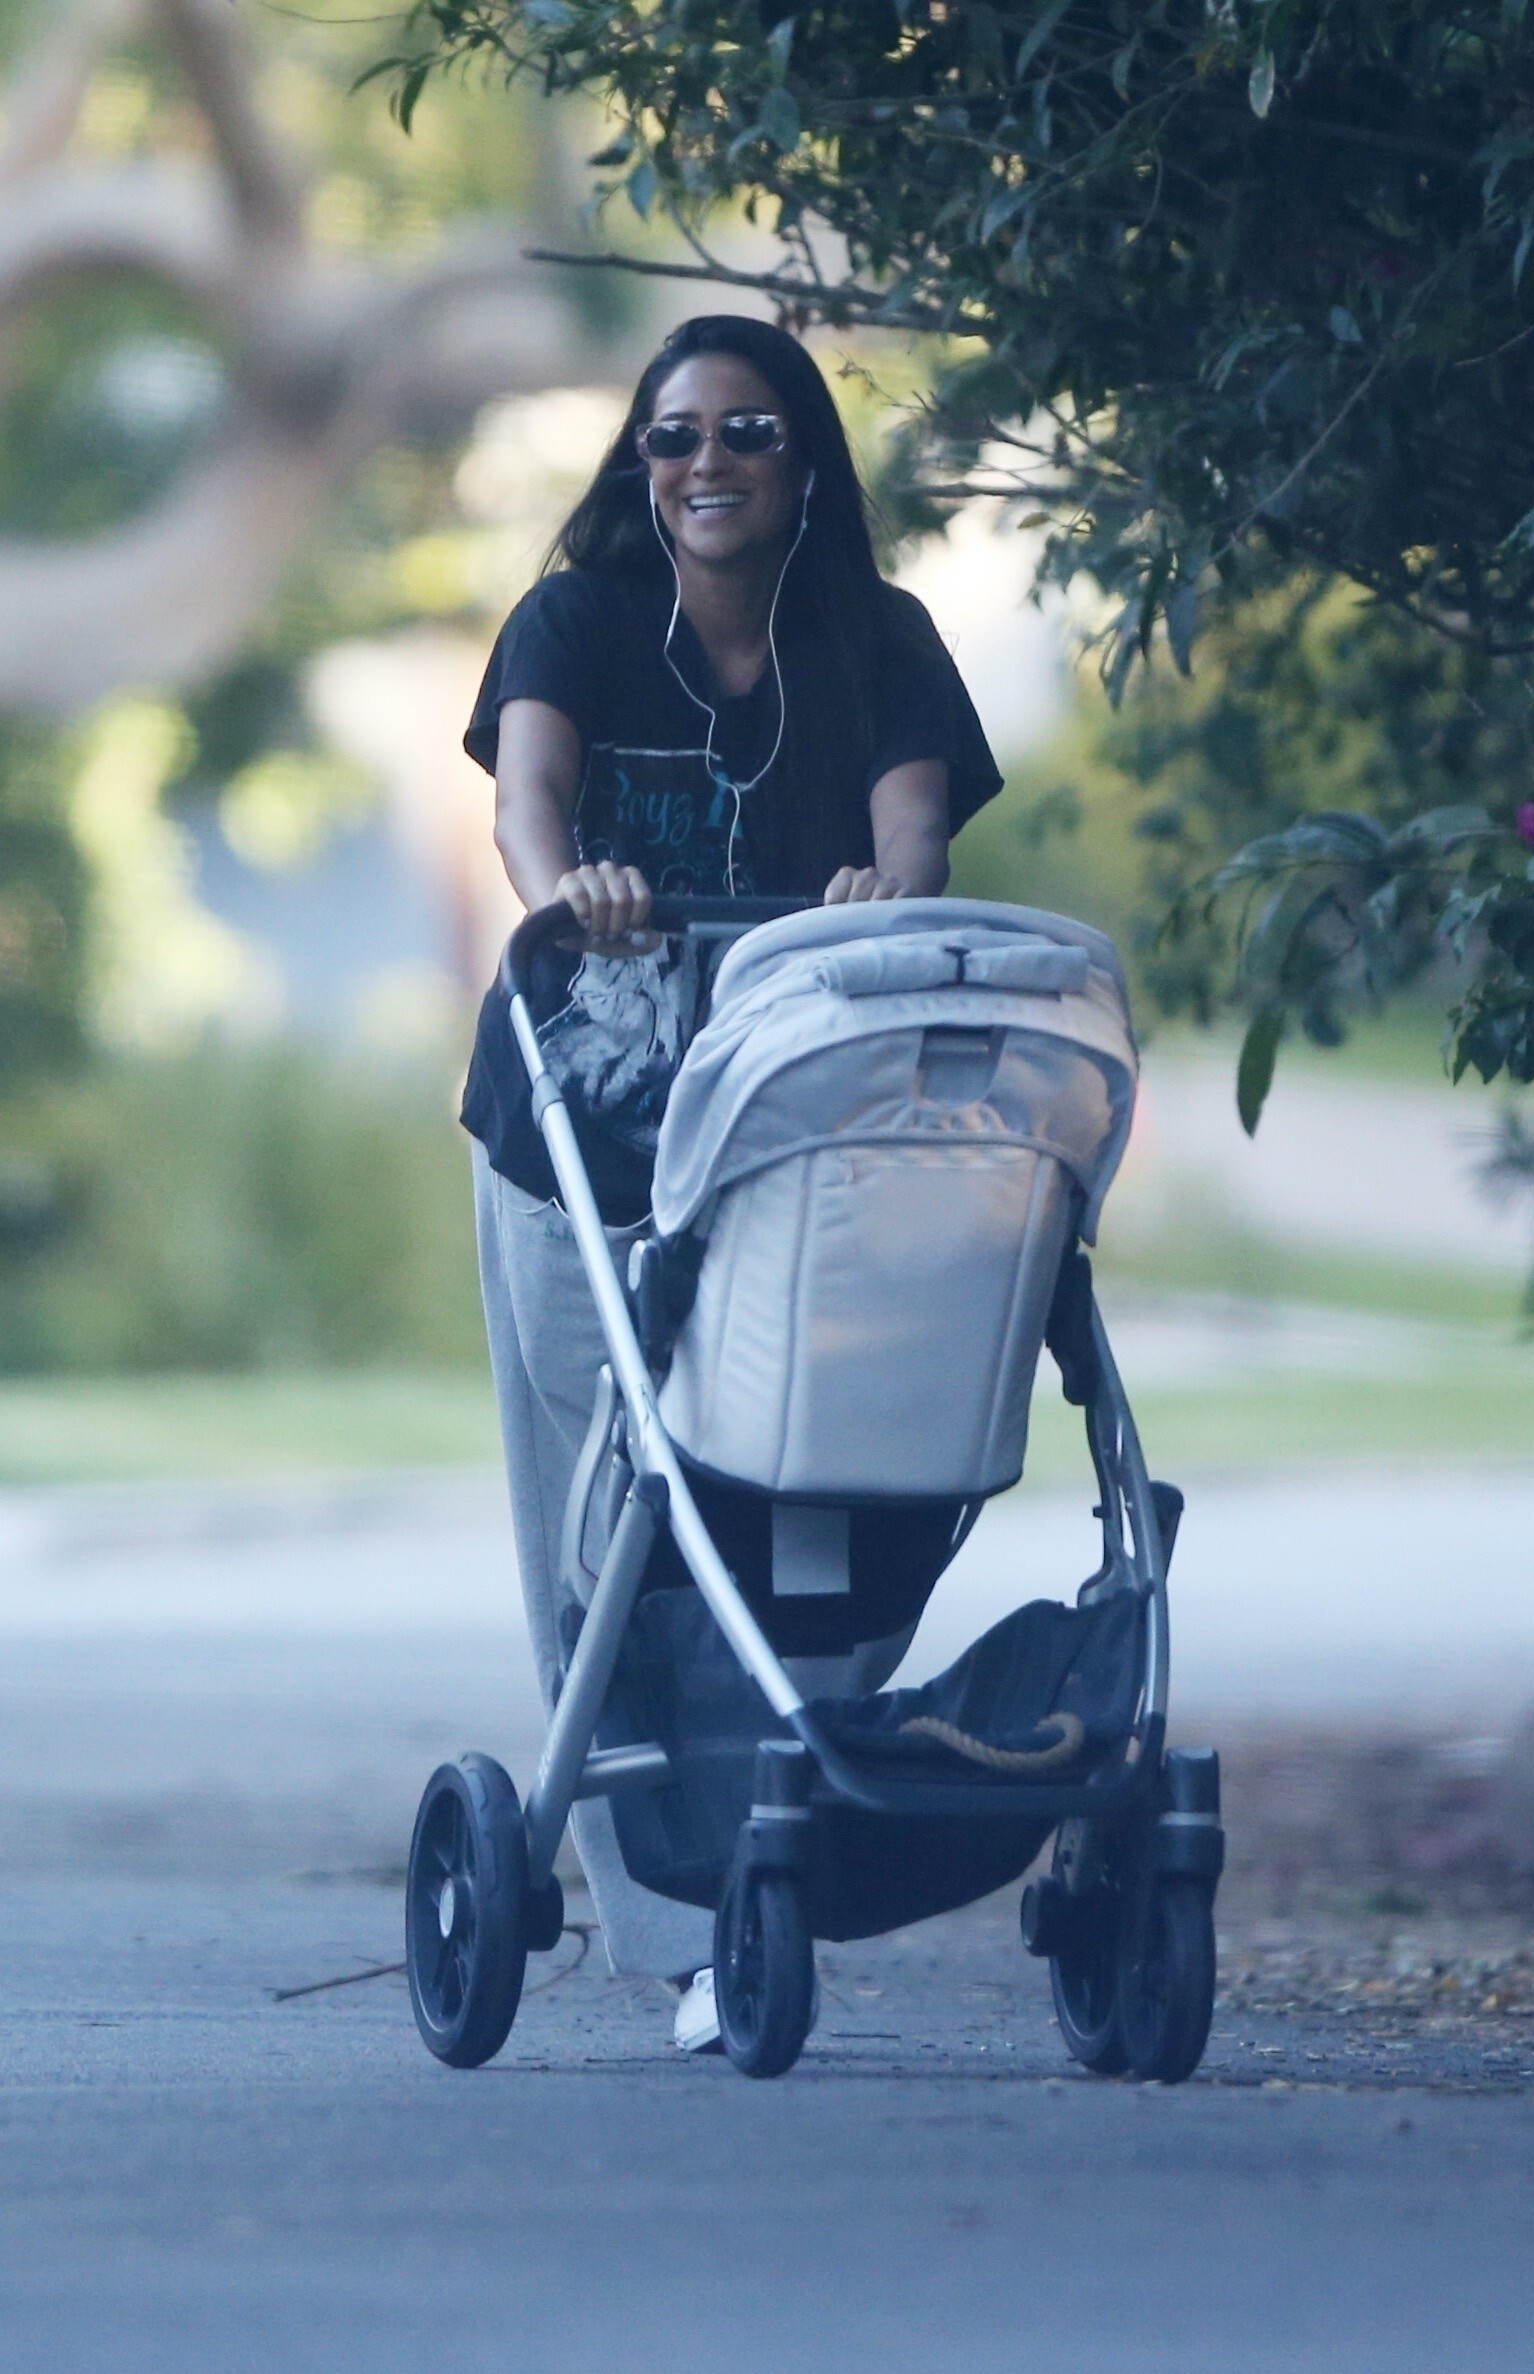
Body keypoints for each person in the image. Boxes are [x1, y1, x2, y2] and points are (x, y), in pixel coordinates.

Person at [462, 312, 1003, 2048]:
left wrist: (885, 892)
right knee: (606, 1510)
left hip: (790, 1140)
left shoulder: (882, 638)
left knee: (791, 1485)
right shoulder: (576, 619)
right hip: (584, 1126)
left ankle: (777, 1818)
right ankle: (679, 1921)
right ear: (644, 465)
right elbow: (527, 803)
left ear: (806, 462)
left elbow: (915, 834)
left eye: (749, 431)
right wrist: (569, 892)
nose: (710, 462)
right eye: (676, 434)